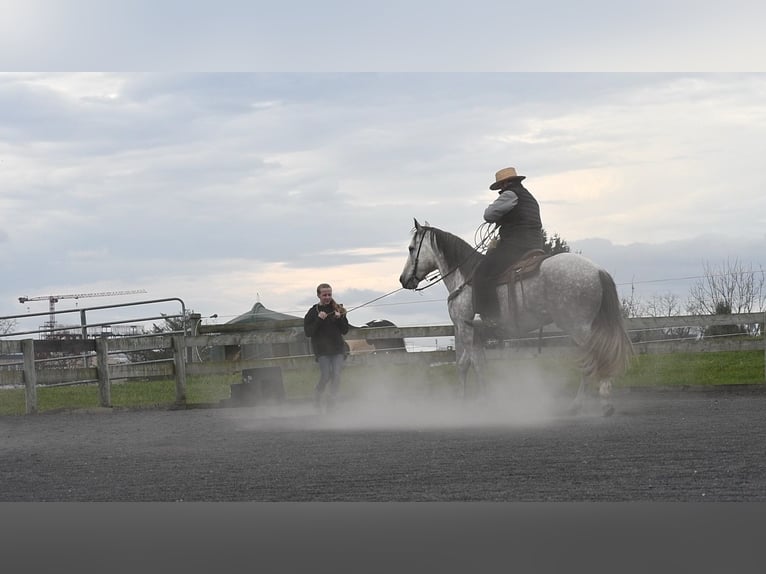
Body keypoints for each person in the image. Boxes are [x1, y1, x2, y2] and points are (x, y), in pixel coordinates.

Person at [473, 167, 544, 323]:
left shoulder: (510, 194)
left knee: (482, 272)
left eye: (500, 186)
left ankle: (489, 317)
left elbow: (489, 214)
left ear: (505, 183)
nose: (500, 189)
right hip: (535, 244)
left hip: (516, 245)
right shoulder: (529, 197)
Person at [303, 283, 350, 411]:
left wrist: (340, 319)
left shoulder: (338, 309)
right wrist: (318, 320)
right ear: (319, 295)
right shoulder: (313, 312)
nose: (327, 297)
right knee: (326, 375)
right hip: (322, 350)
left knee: (336, 374)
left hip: (338, 349)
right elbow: (308, 332)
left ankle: (332, 401)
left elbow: (345, 330)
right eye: (324, 295)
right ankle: (317, 395)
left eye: (329, 294)